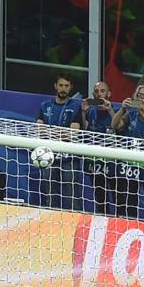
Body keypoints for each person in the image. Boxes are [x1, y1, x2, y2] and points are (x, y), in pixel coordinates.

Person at [110, 84, 144, 221]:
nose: (142, 98)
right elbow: (115, 125)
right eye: (140, 95)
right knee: (128, 202)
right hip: (130, 167)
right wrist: (122, 109)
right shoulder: (130, 115)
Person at [35, 73, 83, 211]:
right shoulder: (45, 106)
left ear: (71, 87)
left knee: (73, 196)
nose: (63, 89)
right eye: (61, 85)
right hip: (49, 157)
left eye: (66, 86)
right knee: (50, 196)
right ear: (55, 86)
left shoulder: (75, 107)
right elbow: (39, 130)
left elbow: (73, 133)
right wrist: (62, 132)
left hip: (69, 158)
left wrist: (50, 132)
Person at [79, 81, 118, 215]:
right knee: (100, 195)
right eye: (96, 91)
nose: (99, 94)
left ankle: (119, 222)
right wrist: (83, 114)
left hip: (112, 161)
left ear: (109, 94)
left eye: (102, 91)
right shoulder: (89, 112)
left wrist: (110, 110)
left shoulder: (117, 111)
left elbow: (119, 127)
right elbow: (84, 131)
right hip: (94, 161)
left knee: (117, 195)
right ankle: (103, 220)